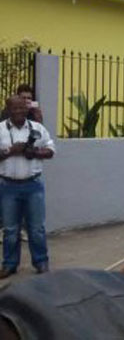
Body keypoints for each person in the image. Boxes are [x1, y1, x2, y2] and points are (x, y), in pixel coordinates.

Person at [0, 96, 55, 279]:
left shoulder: (37, 128)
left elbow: (51, 150)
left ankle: (41, 262)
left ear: (26, 109)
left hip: (33, 185)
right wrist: (10, 151)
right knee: (10, 230)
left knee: (37, 228)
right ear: (8, 110)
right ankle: (9, 265)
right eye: (14, 109)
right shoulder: (0, 129)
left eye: (22, 108)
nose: (18, 112)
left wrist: (35, 152)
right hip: (8, 186)